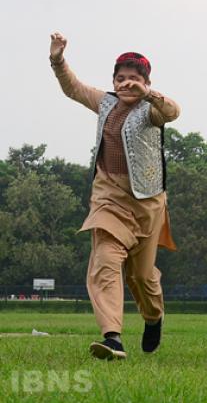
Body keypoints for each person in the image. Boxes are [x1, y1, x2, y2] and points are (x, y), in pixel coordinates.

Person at [49, 33, 179, 360]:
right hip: (109, 197)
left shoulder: (151, 111)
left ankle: (153, 316)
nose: (126, 84)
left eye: (134, 79)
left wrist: (149, 95)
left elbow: (173, 111)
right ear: (113, 81)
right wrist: (58, 60)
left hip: (148, 202)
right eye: (121, 78)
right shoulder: (105, 102)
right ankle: (112, 338)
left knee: (141, 276)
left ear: (146, 82)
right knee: (105, 259)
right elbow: (73, 88)